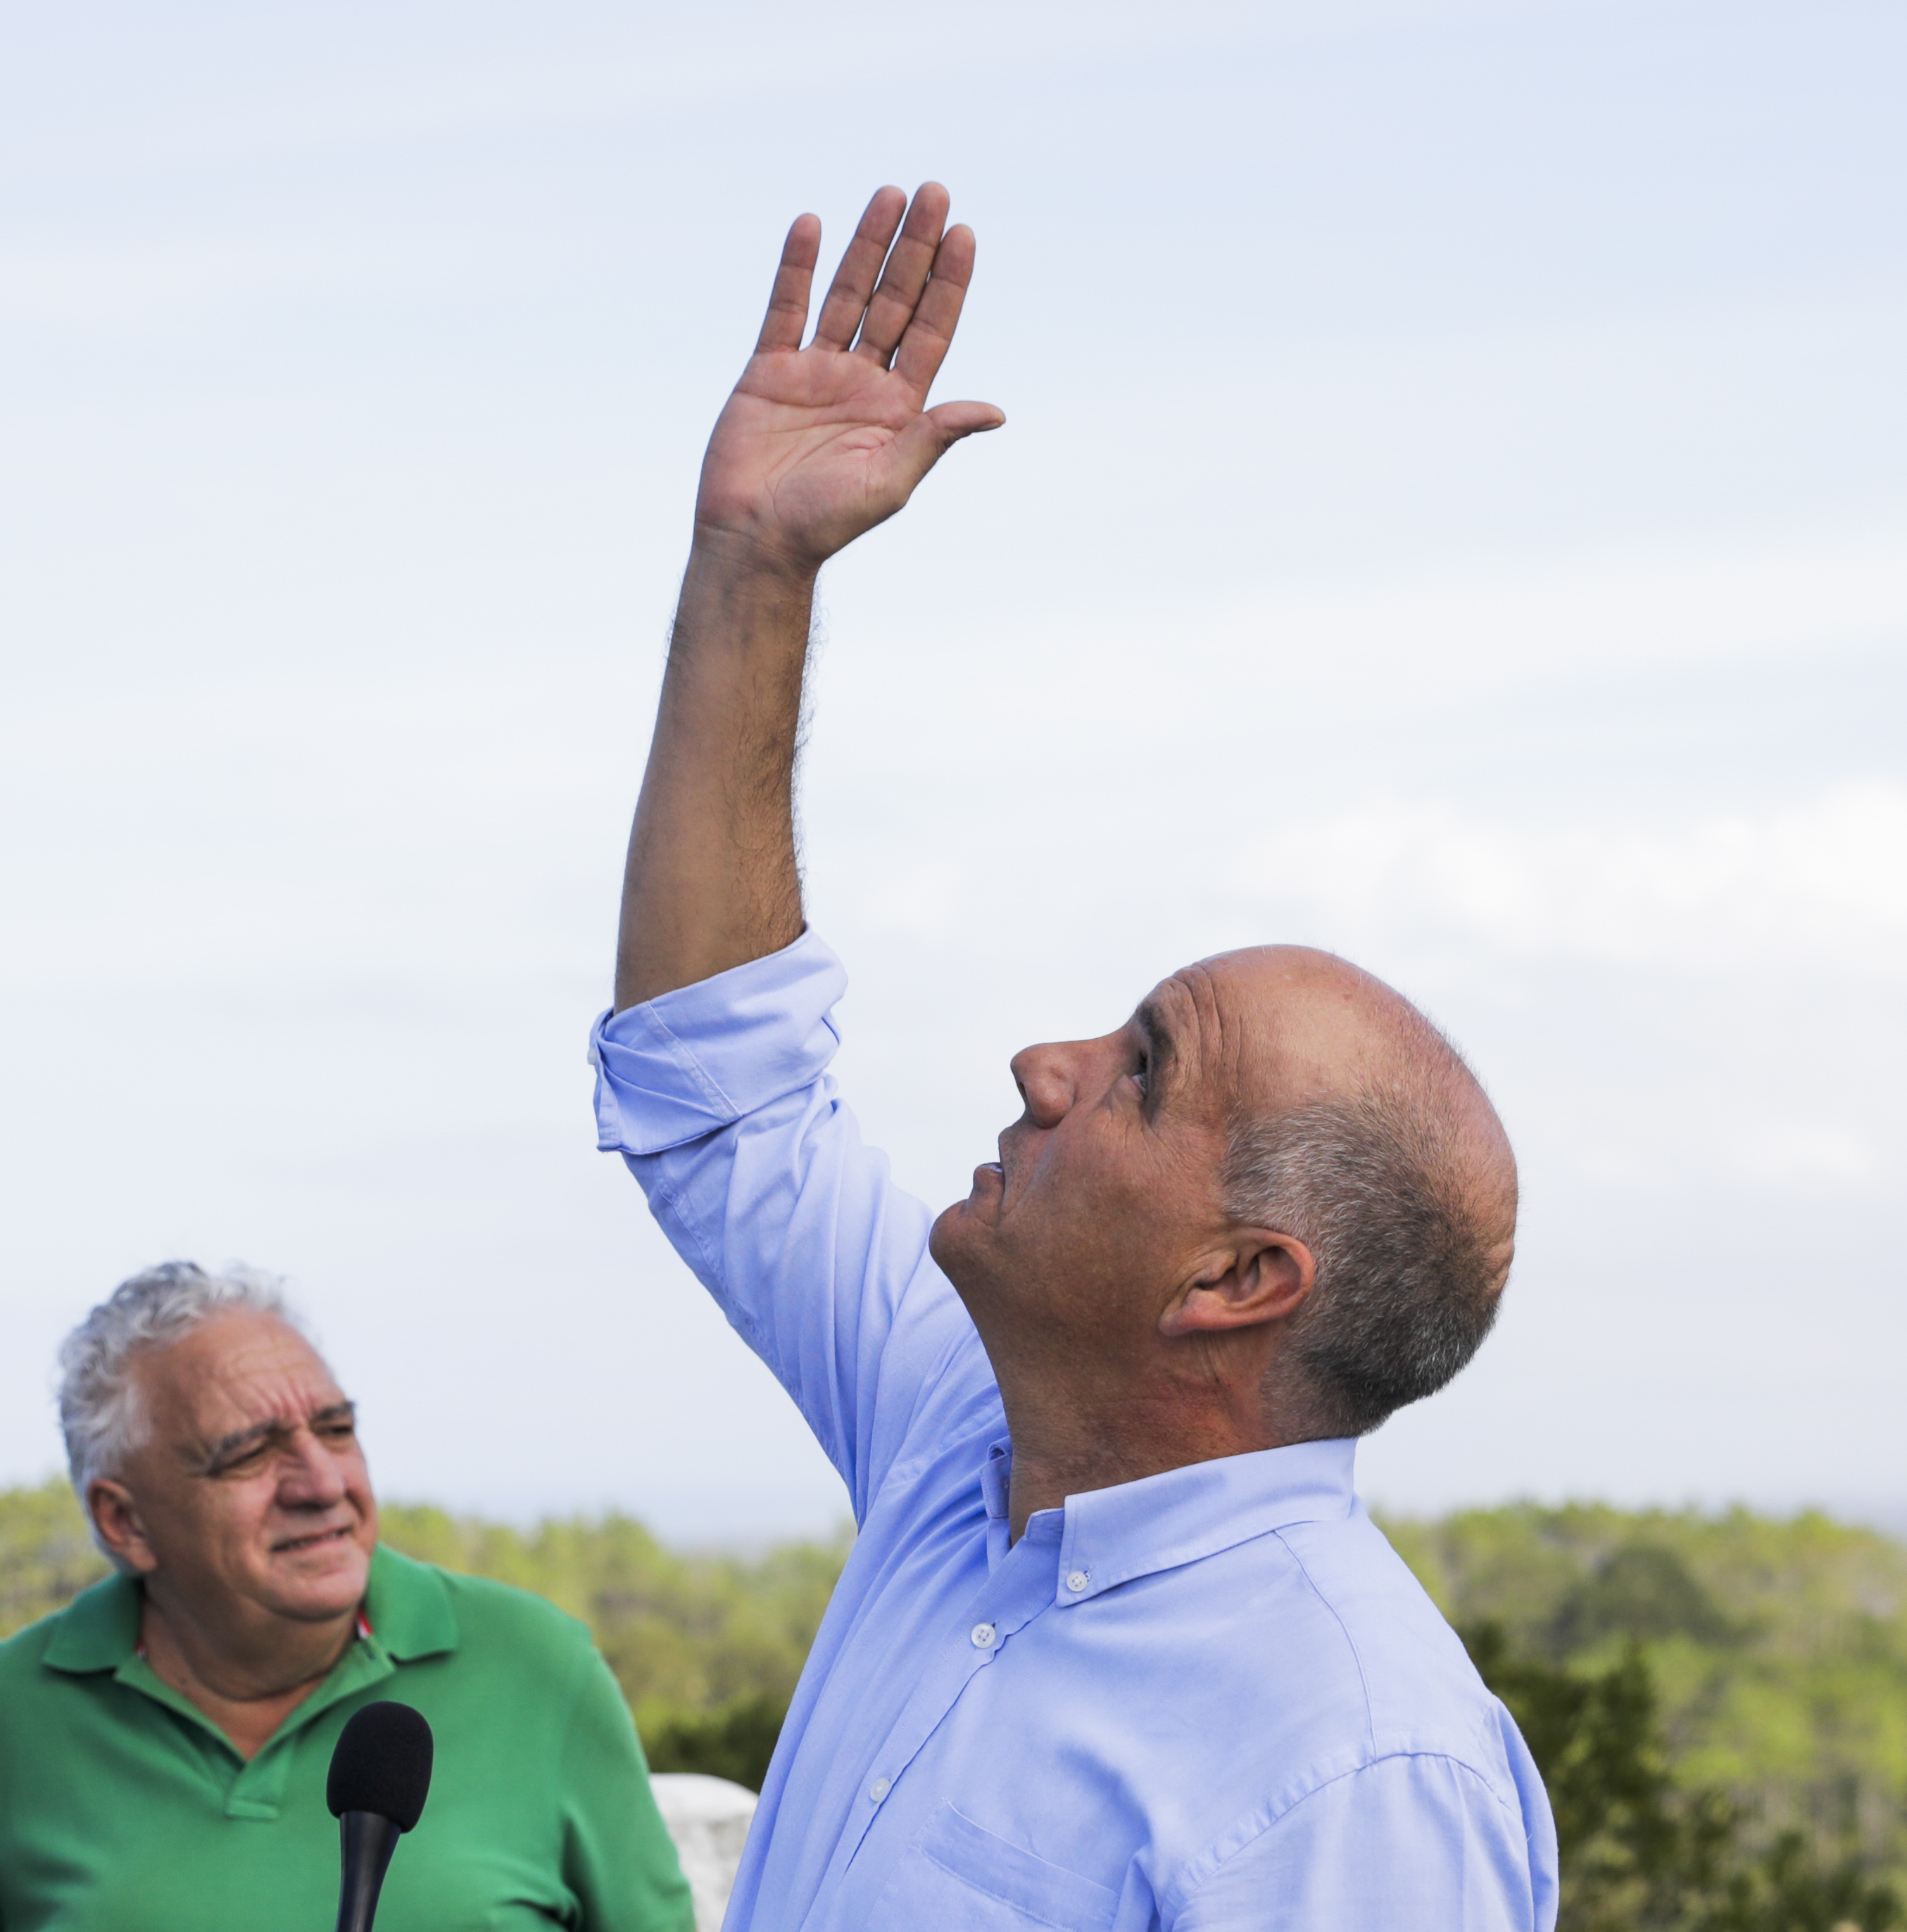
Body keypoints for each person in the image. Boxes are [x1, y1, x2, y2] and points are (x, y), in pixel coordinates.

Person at [593, 182, 1558, 1929]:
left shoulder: (1356, 1774)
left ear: (1240, 1275)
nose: (1044, 1064)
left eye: (1141, 1072)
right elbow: (716, 1098)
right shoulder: (966, 1439)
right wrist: (751, 568)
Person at [0, 1261, 692, 1932]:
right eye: (248, 1454)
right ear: (125, 1521)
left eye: (337, 1429)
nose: (323, 1483)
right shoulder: (4, 1719)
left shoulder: (540, 1667)